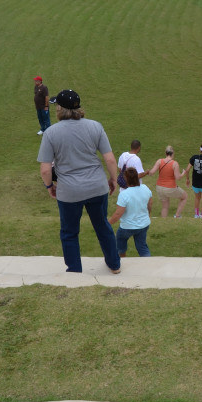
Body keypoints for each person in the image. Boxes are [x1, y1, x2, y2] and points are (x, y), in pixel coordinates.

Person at [37, 88, 121, 274]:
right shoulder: (95, 126)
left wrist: (50, 186)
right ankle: (114, 264)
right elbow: (110, 159)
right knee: (103, 227)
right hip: (97, 187)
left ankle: (75, 271)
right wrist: (113, 179)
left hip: (69, 192)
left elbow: (45, 169)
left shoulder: (51, 133)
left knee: (69, 233)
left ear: (59, 108)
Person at [108, 167, 152, 256]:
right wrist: (146, 216)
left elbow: (118, 214)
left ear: (126, 179)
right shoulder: (145, 188)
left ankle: (120, 263)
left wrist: (107, 223)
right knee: (142, 247)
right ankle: (149, 266)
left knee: (120, 247)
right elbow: (149, 205)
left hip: (127, 227)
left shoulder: (124, 194)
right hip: (144, 225)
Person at [147, 146, 188, 218]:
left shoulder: (159, 161)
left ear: (165, 153)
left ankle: (163, 221)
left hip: (159, 187)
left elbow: (151, 173)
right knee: (184, 197)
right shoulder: (175, 164)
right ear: (173, 153)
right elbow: (178, 178)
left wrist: (146, 171)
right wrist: (183, 173)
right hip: (170, 188)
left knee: (165, 207)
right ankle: (177, 215)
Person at [182, 143, 202, 218]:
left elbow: (187, 170)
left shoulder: (194, 157)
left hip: (195, 183)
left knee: (197, 198)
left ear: (200, 150)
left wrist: (187, 179)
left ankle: (196, 214)